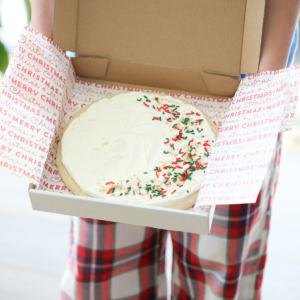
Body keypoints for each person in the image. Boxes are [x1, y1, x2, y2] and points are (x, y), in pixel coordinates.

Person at [30, 1, 300, 299]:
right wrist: (45, 36)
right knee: (104, 278)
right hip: (102, 84)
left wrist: (265, 84)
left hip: (245, 100)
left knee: (215, 282)